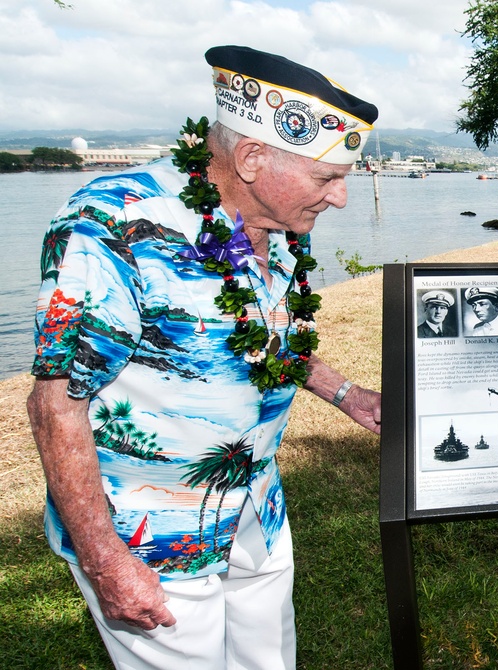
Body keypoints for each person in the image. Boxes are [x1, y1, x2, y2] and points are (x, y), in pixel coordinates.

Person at [26, 45, 382, 669]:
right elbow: (57, 401)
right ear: (250, 158)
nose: (342, 197)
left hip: (256, 507)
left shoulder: (277, 225)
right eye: (327, 178)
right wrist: (105, 558)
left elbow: (262, 335)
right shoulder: (116, 222)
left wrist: (348, 396)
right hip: (149, 534)